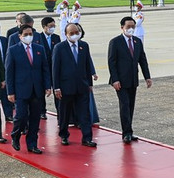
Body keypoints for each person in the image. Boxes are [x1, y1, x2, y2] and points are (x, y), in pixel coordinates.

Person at [6, 24, 51, 153]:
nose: (28, 36)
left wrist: (48, 86)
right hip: (21, 89)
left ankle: (32, 144)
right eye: (25, 34)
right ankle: (16, 135)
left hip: (37, 89)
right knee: (21, 116)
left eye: (30, 34)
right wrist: (10, 91)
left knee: (35, 118)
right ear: (20, 36)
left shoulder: (39, 49)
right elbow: (9, 72)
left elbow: (45, 69)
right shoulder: (13, 50)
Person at [107, 16, 152, 144]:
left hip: (133, 80)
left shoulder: (137, 41)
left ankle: (129, 131)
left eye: (133, 27)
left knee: (131, 106)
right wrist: (115, 79)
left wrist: (147, 77)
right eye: (128, 27)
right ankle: (126, 133)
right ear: (122, 28)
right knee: (125, 105)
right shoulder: (115, 42)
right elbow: (111, 62)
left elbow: (142, 60)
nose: (131, 29)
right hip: (120, 81)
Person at [52, 23, 98, 147]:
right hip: (66, 87)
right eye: (71, 33)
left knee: (85, 113)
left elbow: (87, 65)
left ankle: (87, 138)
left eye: (76, 32)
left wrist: (90, 84)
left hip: (82, 86)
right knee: (65, 113)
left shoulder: (84, 46)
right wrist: (56, 87)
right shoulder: (59, 48)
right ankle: (64, 135)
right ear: (66, 34)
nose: (74, 35)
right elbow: (55, 69)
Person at [35, 16, 60, 119]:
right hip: (42, 69)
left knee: (57, 90)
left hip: (54, 68)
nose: (52, 28)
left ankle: (60, 110)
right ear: (44, 27)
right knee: (41, 92)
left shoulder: (56, 38)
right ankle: (42, 111)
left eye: (54, 26)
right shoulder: (38, 38)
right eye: (50, 26)